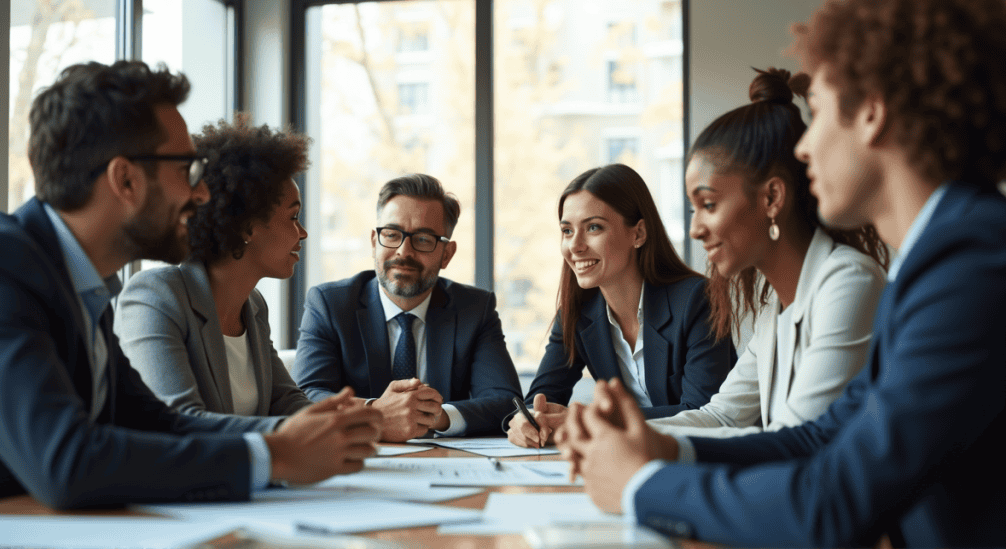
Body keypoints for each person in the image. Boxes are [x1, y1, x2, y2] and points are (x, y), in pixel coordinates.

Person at [556, 0, 1006, 546]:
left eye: (816, 112)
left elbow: (831, 502)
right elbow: (821, 437)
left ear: (871, 111)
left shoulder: (969, 264)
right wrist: (665, 448)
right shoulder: (939, 259)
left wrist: (641, 485)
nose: (802, 145)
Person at [0, 61, 381, 508]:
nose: (203, 194)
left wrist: (301, 437)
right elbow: (68, 463)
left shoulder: (85, 286)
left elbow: (159, 424)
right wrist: (276, 456)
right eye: (187, 170)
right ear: (126, 180)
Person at [643, 67, 887, 440]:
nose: (695, 229)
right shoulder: (775, 308)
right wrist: (619, 431)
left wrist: (643, 443)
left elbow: (796, 439)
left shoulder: (849, 282)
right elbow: (723, 416)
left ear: (772, 197)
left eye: (708, 204)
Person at [507, 164, 736, 449]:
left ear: (638, 233)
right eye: (567, 230)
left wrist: (591, 419)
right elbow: (542, 398)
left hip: (699, 458)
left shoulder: (697, 300)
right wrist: (528, 420)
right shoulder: (577, 312)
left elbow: (703, 412)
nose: (575, 246)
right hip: (628, 457)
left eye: (593, 227)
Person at [293, 173, 523, 441]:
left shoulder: (474, 309)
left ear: (446, 254)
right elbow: (305, 396)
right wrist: (375, 412)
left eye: (423, 239)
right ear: (373, 242)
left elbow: (506, 402)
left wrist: (437, 416)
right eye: (391, 234)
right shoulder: (330, 304)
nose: (403, 251)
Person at [115, 116, 313, 425]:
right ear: (247, 225)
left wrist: (363, 417)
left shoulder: (253, 306)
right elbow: (182, 421)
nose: (302, 233)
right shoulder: (155, 297)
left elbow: (286, 401)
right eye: (293, 217)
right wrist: (302, 434)